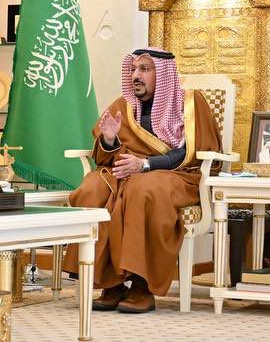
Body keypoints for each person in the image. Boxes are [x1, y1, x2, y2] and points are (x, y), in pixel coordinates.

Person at [64, 48, 223, 313]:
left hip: (176, 175)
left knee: (143, 189)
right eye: (133, 69)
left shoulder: (190, 103)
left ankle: (142, 284)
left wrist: (146, 164)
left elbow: (192, 151)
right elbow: (103, 157)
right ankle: (110, 283)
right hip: (124, 174)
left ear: (162, 73)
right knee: (92, 187)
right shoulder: (122, 107)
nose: (135, 75)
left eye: (144, 69)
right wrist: (109, 140)